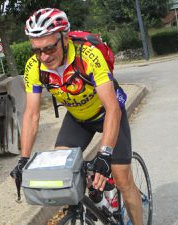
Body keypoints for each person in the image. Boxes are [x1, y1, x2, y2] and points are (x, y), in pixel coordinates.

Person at [11, 8, 142, 225]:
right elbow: (31, 114)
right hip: (78, 118)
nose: (43, 56)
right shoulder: (34, 66)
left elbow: (112, 108)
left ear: (64, 38)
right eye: (37, 50)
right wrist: (23, 159)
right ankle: (100, 196)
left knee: (122, 178)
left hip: (106, 113)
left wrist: (105, 155)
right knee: (62, 166)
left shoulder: (87, 55)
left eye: (49, 48)